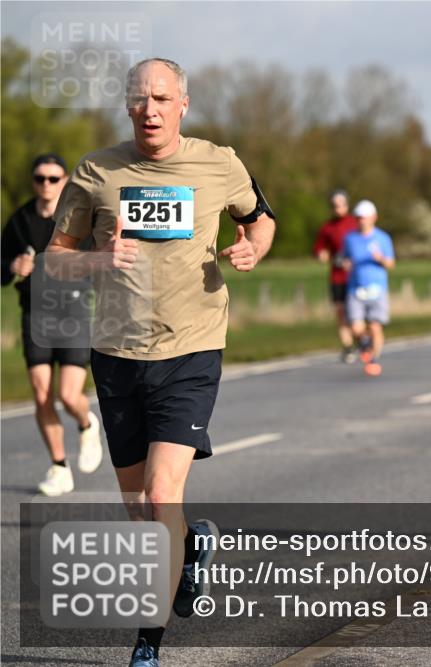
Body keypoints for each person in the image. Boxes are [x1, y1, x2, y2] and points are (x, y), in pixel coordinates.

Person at [45, 58, 276, 667]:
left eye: (161, 97)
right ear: (127, 107)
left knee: (159, 494)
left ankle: (148, 641)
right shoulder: (96, 171)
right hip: (116, 354)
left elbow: (261, 217)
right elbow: (55, 258)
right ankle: (193, 549)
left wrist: (253, 248)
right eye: (139, 99)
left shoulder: (218, 163)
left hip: (192, 346)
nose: (150, 109)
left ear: (183, 104)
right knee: (139, 513)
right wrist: (98, 260)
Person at [1, 154, 102, 496]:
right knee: (42, 395)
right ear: (33, 181)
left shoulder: (77, 218)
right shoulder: (20, 220)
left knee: (67, 395)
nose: (47, 184)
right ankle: (59, 467)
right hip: (35, 314)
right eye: (40, 178)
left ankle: (87, 424)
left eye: (54, 178)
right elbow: (2, 266)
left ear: (65, 180)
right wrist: (14, 265)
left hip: (71, 311)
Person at [342, 200, 395, 377]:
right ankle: (365, 344)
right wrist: (345, 263)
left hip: (377, 288)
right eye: (358, 218)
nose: (361, 221)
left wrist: (380, 258)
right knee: (356, 327)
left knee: (375, 326)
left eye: (364, 218)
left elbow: (391, 263)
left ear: (373, 218)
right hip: (355, 288)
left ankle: (374, 360)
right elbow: (344, 258)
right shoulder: (350, 238)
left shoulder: (382, 238)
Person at [313, 189, 359, 362]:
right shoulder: (327, 228)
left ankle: (361, 339)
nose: (338, 208)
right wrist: (321, 254)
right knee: (340, 312)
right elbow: (319, 248)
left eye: (341, 205)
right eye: (334, 205)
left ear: (347, 205)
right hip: (337, 277)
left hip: (355, 277)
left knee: (356, 314)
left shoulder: (355, 224)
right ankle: (348, 346)